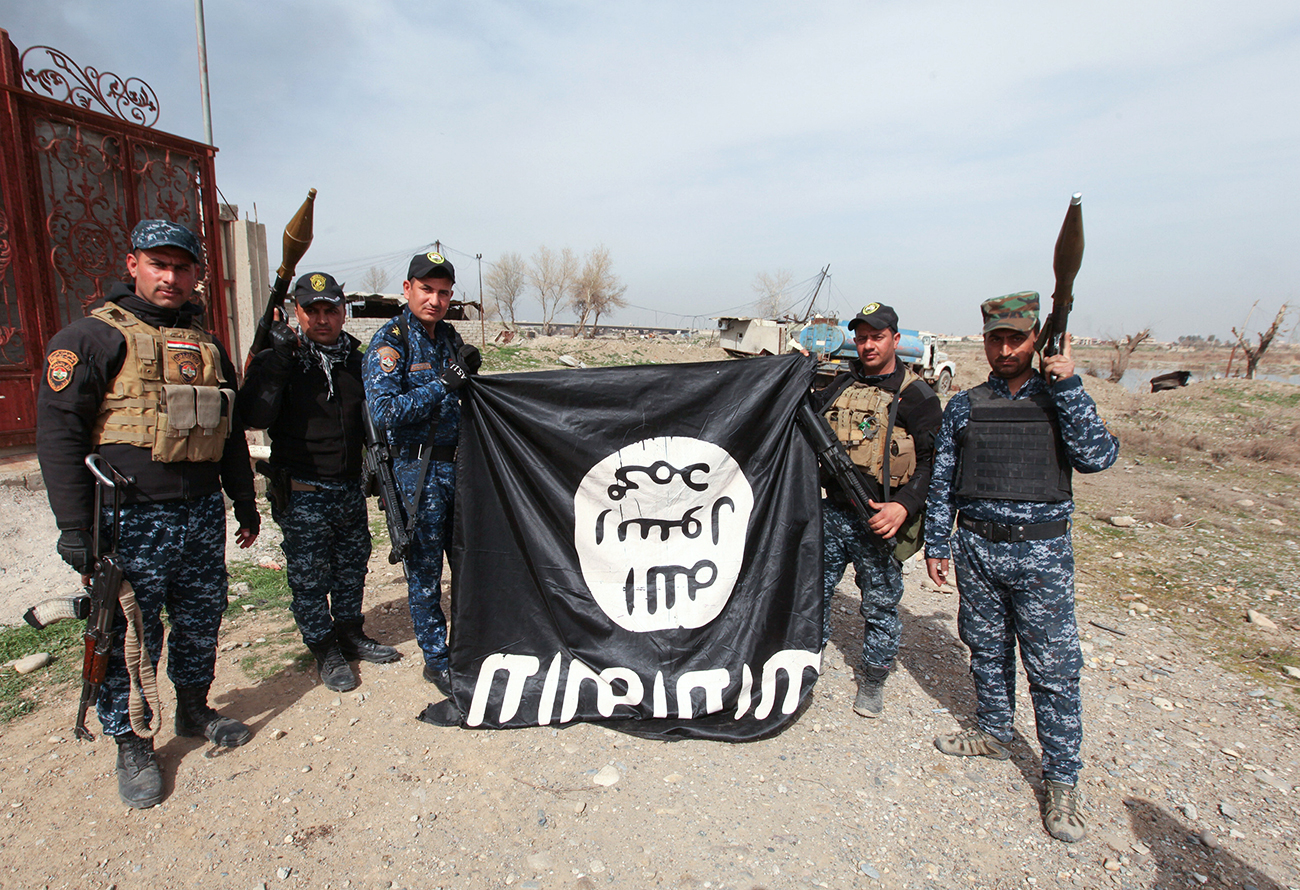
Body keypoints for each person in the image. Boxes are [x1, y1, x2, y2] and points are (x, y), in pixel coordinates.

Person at [36, 220, 259, 809]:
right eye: (159, 264)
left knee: (200, 618)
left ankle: (193, 706)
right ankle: (131, 740)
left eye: (183, 267)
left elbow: (229, 432)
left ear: (195, 275)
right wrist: (74, 528)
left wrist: (243, 500)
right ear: (132, 263)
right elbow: (59, 434)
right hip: (130, 518)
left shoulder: (206, 346)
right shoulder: (91, 338)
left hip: (200, 514)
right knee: (129, 636)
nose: (171, 277)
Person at [924, 291, 1118, 844]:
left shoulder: (1059, 395)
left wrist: (1070, 385)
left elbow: (1097, 457)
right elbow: (945, 480)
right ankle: (992, 729)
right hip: (978, 550)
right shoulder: (965, 404)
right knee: (984, 646)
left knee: (1053, 668)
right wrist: (939, 543)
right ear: (984, 340)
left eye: (1016, 339)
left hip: (1041, 556)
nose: (1005, 348)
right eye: (995, 339)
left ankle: (1060, 781)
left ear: (1037, 340)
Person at [239, 272, 400, 693]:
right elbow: (254, 416)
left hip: (349, 488)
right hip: (303, 491)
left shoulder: (355, 360)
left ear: (343, 312)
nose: (323, 319)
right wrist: (275, 359)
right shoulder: (284, 359)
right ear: (298, 313)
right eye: (313, 311)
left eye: (331, 310)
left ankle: (349, 632)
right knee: (310, 579)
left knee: (351, 568)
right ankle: (323, 647)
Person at [814, 303, 941, 717]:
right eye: (862, 337)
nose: (868, 345)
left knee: (881, 604)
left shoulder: (917, 395)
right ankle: (804, 661)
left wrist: (903, 507)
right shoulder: (838, 385)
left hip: (879, 521)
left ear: (895, 341)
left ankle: (872, 678)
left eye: (877, 337)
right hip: (832, 512)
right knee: (813, 592)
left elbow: (933, 463)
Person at [363, 252, 478, 697]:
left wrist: (469, 377)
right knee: (426, 572)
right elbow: (386, 410)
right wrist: (444, 384)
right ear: (407, 289)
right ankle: (436, 659)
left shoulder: (447, 336)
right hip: (417, 472)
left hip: (460, 467)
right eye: (426, 289)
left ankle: (466, 648)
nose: (435, 299)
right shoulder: (390, 342)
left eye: (444, 292)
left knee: (466, 562)